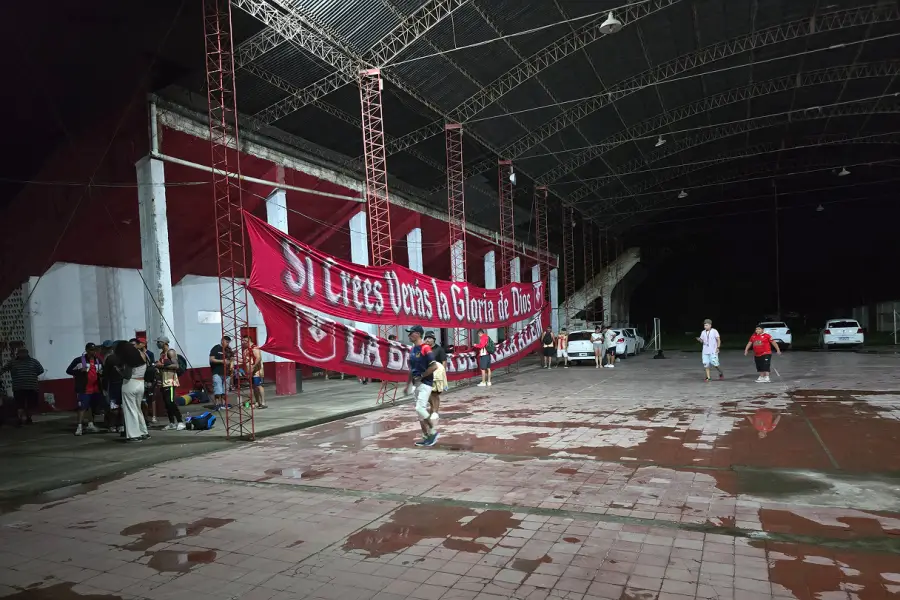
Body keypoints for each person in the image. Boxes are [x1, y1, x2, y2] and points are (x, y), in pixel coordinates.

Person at [404, 325, 439, 447]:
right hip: (416, 384)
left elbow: (434, 366)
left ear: (418, 334)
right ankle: (426, 436)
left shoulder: (425, 348)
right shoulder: (412, 349)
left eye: (411, 333)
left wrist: (422, 376)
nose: (409, 335)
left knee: (420, 408)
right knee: (420, 414)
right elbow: (411, 369)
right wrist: (407, 385)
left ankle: (433, 431)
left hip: (425, 383)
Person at [114, 341, 150, 442]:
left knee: (130, 410)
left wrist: (119, 371)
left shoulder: (129, 359)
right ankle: (143, 432)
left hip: (130, 384)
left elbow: (127, 376)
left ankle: (134, 435)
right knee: (138, 409)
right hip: (141, 383)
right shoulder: (143, 354)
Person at [66, 343, 104, 435]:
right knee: (82, 408)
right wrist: (79, 371)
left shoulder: (98, 360)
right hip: (84, 388)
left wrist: (101, 373)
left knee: (91, 407)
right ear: (86, 350)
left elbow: (103, 371)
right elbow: (68, 371)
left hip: (96, 388)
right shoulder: (79, 360)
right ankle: (79, 427)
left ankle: (90, 424)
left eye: (94, 350)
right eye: (91, 350)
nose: (93, 352)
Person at [1, 346, 45, 427]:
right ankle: (21, 419)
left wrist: (31, 375)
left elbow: (41, 370)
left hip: (31, 386)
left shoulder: (33, 362)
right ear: (17, 354)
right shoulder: (12, 362)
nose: (22, 354)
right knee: (19, 404)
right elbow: (3, 369)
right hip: (18, 387)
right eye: (20, 353)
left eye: (24, 353)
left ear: (27, 353)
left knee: (31, 404)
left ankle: (29, 418)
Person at [155, 336, 185, 430]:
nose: (157, 344)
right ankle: (171, 422)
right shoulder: (161, 354)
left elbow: (176, 366)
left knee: (170, 402)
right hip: (163, 381)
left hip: (170, 381)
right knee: (166, 404)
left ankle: (180, 421)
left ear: (164, 343)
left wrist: (162, 365)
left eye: (159, 342)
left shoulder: (170, 352)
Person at [422, 331, 446, 432]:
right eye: (426, 338)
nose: (427, 340)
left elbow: (444, 362)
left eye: (430, 338)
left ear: (434, 339)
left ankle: (435, 412)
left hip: (437, 375)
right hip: (426, 374)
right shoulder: (423, 349)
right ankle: (433, 410)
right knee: (427, 395)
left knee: (435, 394)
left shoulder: (439, 349)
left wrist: (443, 374)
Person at [102, 340, 125, 433]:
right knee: (122, 406)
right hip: (125, 384)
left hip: (113, 385)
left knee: (114, 406)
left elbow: (105, 374)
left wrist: (104, 387)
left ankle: (112, 425)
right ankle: (121, 425)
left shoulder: (110, 358)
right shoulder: (126, 358)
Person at [242, 333, 267, 409]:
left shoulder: (255, 348)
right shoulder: (245, 350)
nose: (243, 342)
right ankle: (257, 402)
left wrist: (253, 366)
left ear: (248, 340)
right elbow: (245, 361)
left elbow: (258, 358)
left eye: (244, 341)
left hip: (256, 371)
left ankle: (263, 402)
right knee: (254, 386)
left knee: (258, 385)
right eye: (243, 341)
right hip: (250, 371)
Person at [209, 336, 232, 411]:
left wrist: (231, 366)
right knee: (218, 390)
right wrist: (222, 361)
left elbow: (232, 359)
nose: (227, 344)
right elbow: (211, 359)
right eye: (226, 342)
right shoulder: (216, 348)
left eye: (228, 342)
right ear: (222, 341)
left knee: (225, 390)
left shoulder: (228, 350)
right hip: (217, 372)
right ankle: (217, 404)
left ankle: (224, 404)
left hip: (227, 373)